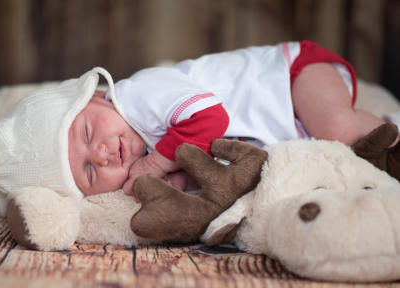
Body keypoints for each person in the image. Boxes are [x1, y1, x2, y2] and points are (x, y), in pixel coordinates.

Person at [68, 41, 399, 197]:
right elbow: (204, 166)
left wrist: (157, 164)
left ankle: (393, 129)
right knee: (341, 170)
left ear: (98, 97)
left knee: (338, 129)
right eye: (90, 172)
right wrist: (179, 183)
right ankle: (375, 129)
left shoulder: (136, 95)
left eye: (87, 132)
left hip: (291, 80)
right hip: (289, 130)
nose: (99, 153)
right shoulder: (142, 152)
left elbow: (209, 119)